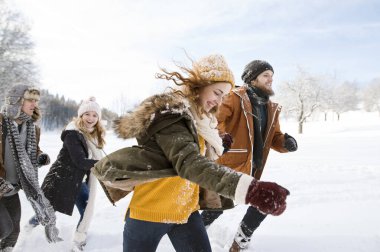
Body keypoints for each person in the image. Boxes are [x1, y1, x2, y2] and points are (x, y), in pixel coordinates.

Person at [92, 54, 290, 252]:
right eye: (217, 92)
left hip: (186, 211)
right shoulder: (172, 115)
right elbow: (190, 164)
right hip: (149, 213)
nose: (219, 101)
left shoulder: (201, 121)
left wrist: (218, 145)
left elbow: (194, 153)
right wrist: (251, 190)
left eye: (224, 96)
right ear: (200, 84)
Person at [201, 60, 298, 251]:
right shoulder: (234, 97)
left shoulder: (270, 107)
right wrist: (220, 138)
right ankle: (197, 232)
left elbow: (273, 136)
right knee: (259, 198)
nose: (271, 80)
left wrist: (285, 143)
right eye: (266, 75)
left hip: (252, 167)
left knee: (261, 198)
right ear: (252, 78)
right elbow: (215, 120)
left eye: (272, 76)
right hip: (228, 164)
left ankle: (239, 240)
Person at [27, 97, 106, 251]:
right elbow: (80, 161)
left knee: (86, 211)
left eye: (94, 115)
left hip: (78, 181)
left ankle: (78, 241)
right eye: (87, 114)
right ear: (81, 115)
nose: (91, 118)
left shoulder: (92, 136)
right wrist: (105, 164)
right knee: (47, 212)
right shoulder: (72, 133)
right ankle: (27, 229)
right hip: (61, 179)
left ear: (98, 118)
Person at [0, 85, 61, 251]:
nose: (34, 104)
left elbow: (31, 150)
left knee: (14, 230)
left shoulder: (31, 128)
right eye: (30, 100)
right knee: (4, 228)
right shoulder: (1, 123)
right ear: (16, 101)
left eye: (36, 100)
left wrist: (39, 156)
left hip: (12, 188)